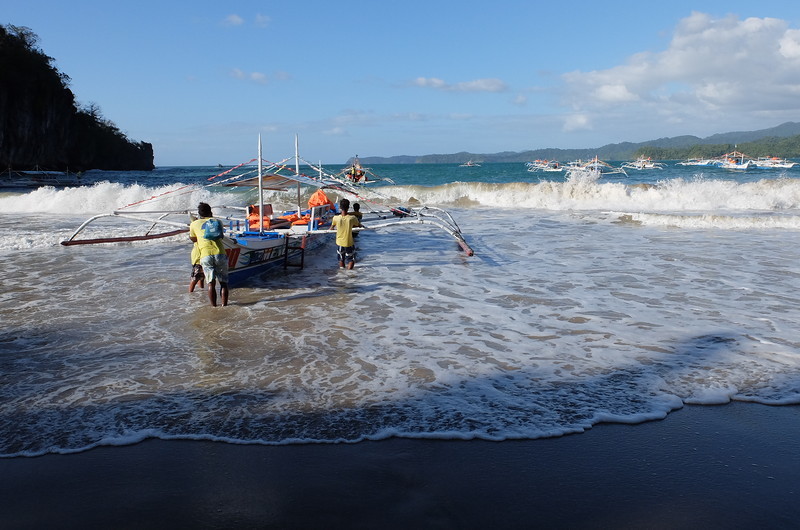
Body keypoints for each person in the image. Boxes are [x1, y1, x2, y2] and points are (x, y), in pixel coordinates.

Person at [188, 202, 229, 306]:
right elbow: (221, 236)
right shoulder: (218, 221)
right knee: (223, 283)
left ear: (199, 214)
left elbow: (193, 239)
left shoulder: (194, 224)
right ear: (210, 211)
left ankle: (214, 307)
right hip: (220, 253)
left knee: (211, 284)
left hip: (205, 255)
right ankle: (224, 306)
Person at [330, 198, 363, 269]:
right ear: (348, 207)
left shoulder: (335, 218)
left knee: (341, 259)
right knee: (351, 260)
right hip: (349, 243)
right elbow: (359, 225)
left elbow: (331, 228)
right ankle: (348, 276)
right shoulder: (352, 218)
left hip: (339, 242)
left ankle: (342, 274)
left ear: (340, 207)